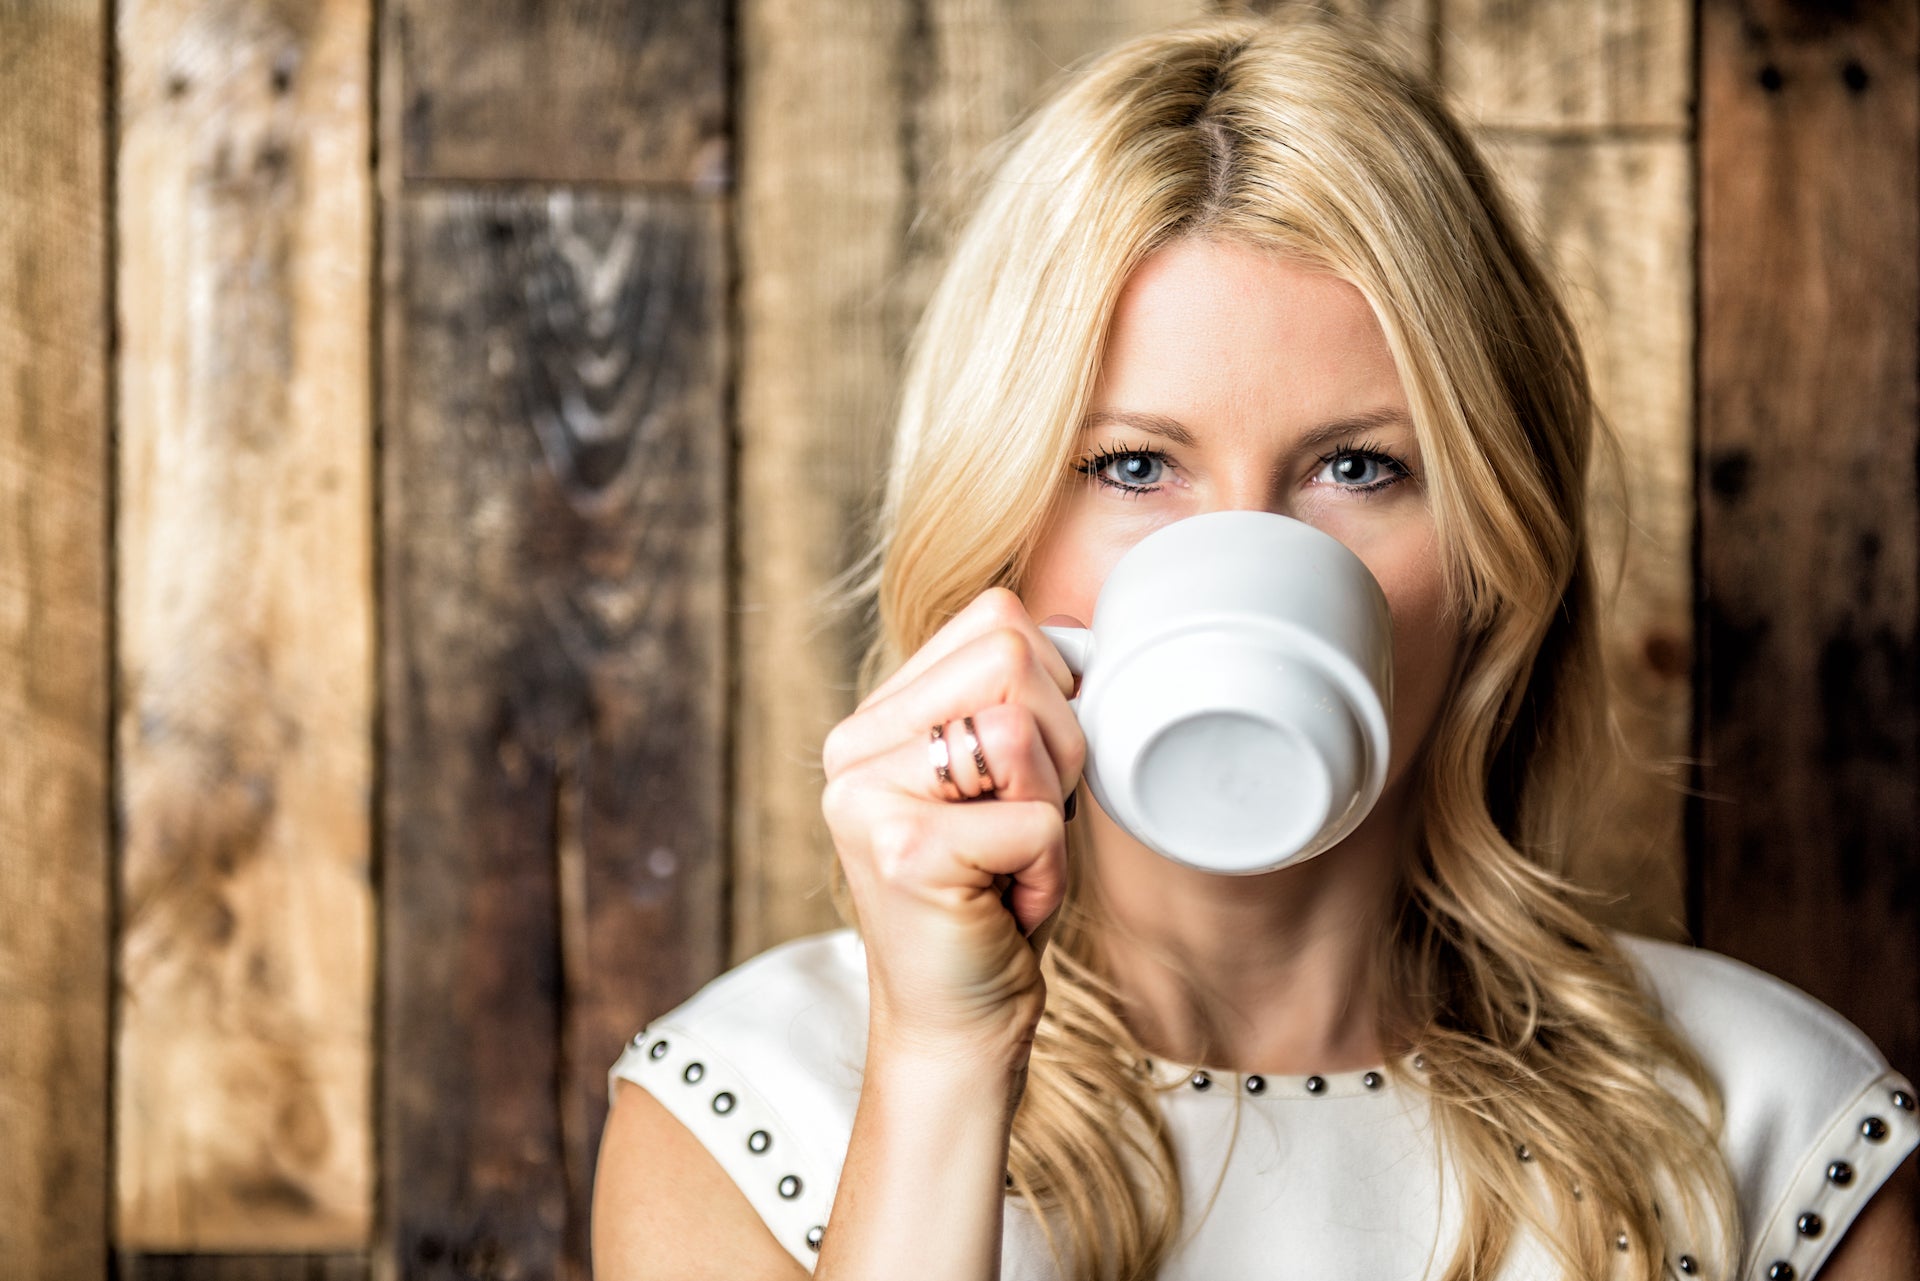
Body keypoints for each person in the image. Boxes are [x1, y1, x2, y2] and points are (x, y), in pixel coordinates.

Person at [591, 11, 1919, 1280]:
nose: (1241, 554)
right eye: (1131, 464)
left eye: (1357, 463)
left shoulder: (1771, 1132)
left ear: (1495, 549)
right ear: (1000, 536)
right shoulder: (749, 1110)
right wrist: (943, 1067)